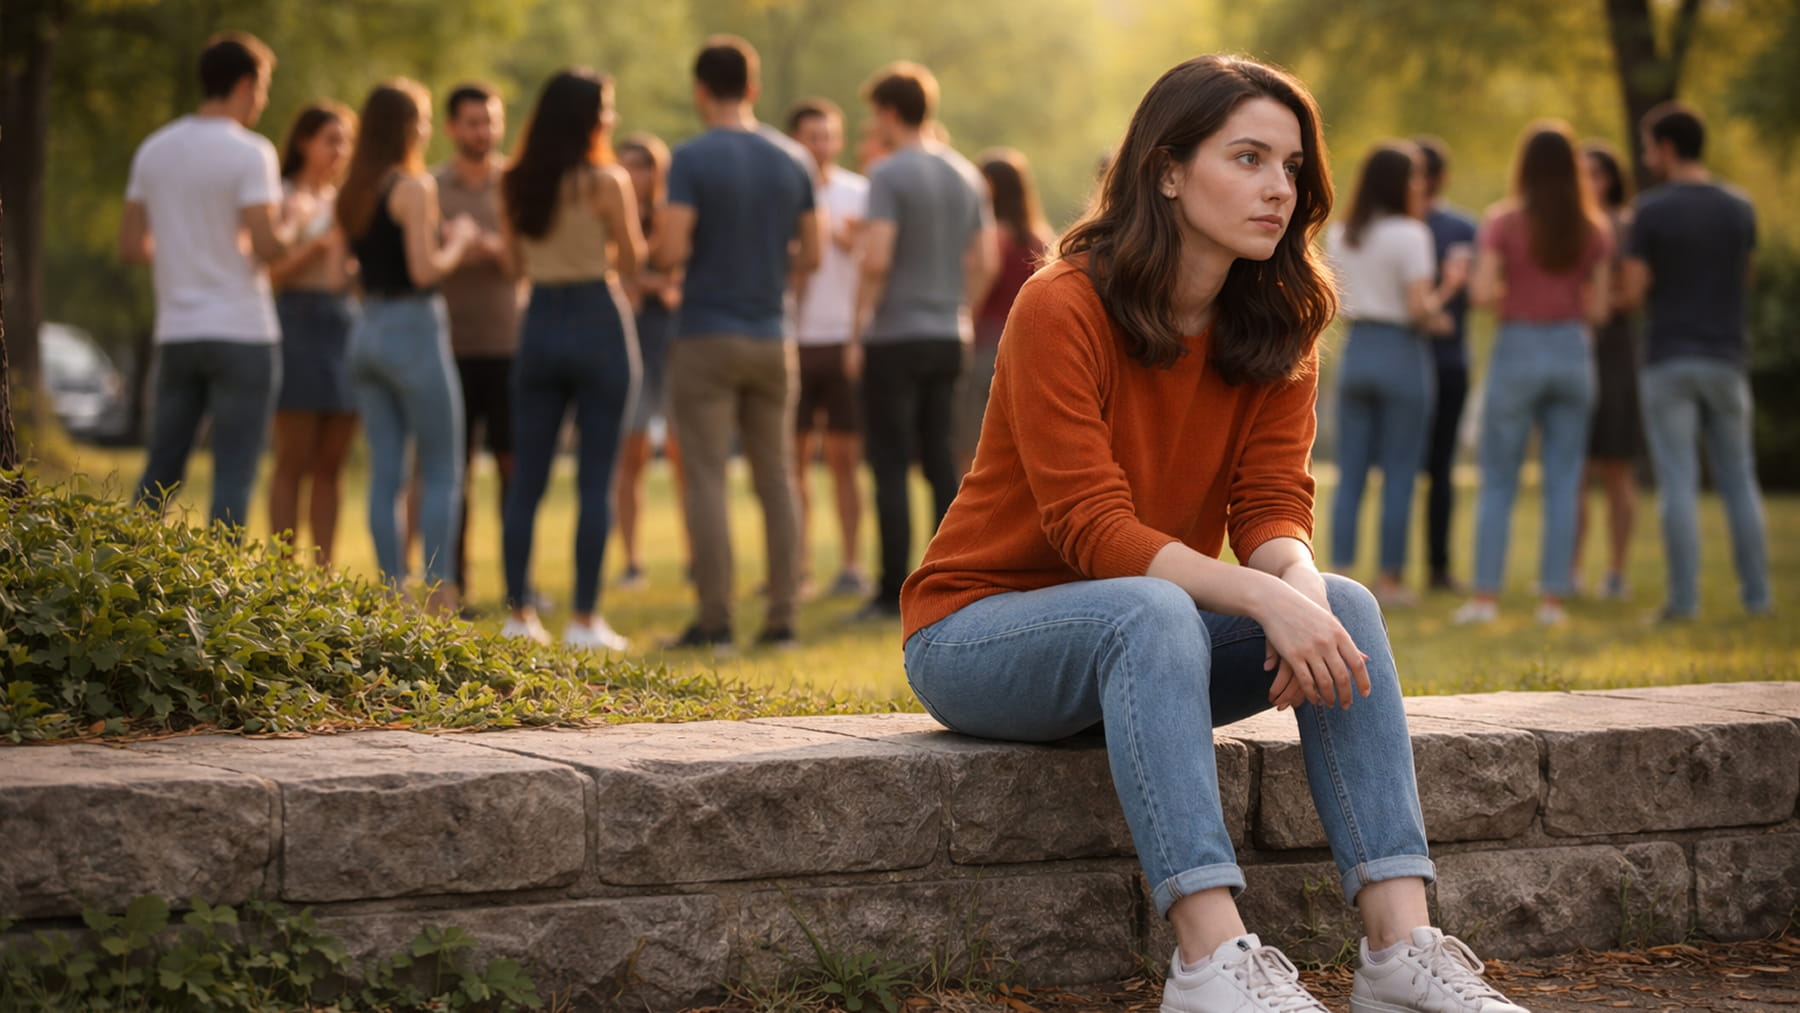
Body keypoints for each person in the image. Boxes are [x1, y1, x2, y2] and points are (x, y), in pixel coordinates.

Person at [900, 54, 1528, 1013]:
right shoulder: (1060, 302)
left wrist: (1302, 593)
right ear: (1166, 168)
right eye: (1247, 157)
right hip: (980, 634)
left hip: (1142, 644)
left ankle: (1400, 948)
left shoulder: (1279, 320)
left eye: (1291, 167)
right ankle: (1207, 960)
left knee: (1345, 601)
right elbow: (1089, 526)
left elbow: (1273, 507)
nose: (1278, 187)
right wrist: (1262, 598)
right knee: (1154, 609)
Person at [651, 35, 821, 650]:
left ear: (701, 90)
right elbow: (816, 251)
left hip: (705, 333)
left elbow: (670, 249)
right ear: (752, 88)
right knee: (776, 477)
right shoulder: (794, 159)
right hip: (772, 335)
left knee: (706, 478)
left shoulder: (691, 159)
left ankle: (716, 621)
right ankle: (782, 620)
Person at [120, 32, 294, 531]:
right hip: (243, 331)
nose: (262, 100)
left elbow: (132, 246)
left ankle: (126, 574)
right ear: (245, 84)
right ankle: (220, 599)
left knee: (161, 471)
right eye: (262, 89)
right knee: (234, 473)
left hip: (177, 331)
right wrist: (297, 224)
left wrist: (181, 251)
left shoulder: (153, 149)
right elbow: (266, 246)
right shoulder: (252, 152)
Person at [496, 68, 644, 651]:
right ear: (586, 116)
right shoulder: (606, 179)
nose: (611, 117)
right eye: (605, 108)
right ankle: (584, 620)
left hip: (539, 324)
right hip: (597, 320)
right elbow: (632, 260)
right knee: (595, 479)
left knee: (525, 480)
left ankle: (518, 614)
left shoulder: (513, 181)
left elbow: (513, 267)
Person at [853, 61, 997, 620]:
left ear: (889, 113)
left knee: (889, 461)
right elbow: (983, 259)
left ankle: (890, 589)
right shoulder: (965, 174)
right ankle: (948, 578)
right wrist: (961, 307)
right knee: (940, 459)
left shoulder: (888, 174)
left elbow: (878, 257)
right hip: (947, 332)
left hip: (894, 334)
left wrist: (858, 323)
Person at [1453, 121, 1611, 627]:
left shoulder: (1503, 221)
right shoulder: (1594, 229)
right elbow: (1602, 308)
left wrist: (1514, 296)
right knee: (1564, 481)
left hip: (1518, 347)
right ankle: (1552, 602)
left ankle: (1484, 598)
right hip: (1572, 351)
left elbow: (1479, 294)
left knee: (1499, 479)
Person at [1621, 102, 1771, 621]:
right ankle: (1758, 598)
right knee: (1739, 476)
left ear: (1666, 147)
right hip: (1726, 355)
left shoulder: (1652, 210)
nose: (1646, 157)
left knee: (1678, 481)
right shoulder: (1739, 206)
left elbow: (1636, 287)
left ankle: (1684, 601)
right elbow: (1746, 275)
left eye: (1647, 147)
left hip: (1669, 357)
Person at [338, 78, 481, 614]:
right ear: (407, 127)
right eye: (422, 118)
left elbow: (349, 272)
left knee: (387, 472)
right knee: (443, 466)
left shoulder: (351, 190)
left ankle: (392, 592)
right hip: (413, 327)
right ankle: (441, 591)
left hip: (366, 327)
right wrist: (460, 242)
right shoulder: (415, 187)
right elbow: (425, 270)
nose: (426, 128)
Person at [1326, 141, 1464, 605]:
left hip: (1358, 348)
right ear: (1402, 182)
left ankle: (1338, 573)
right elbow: (1418, 310)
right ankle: (1389, 581)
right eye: (1416, 177)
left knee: (1351, 473)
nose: (1421, 185)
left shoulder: (1342, 233)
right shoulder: (1411, 233)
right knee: (1400, 472)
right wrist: (1449, 289)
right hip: (1402, 353)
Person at [435, 82, 526, 604]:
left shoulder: (515, 184)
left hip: (509, 344)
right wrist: (467, 250)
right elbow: (422, 259)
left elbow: (522, 262)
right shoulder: (430, 185)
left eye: (490, 121)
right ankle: (454, 584)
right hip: (448, 346)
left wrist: (480, 245)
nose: (482, 132)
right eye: (472, 122)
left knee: (515, 468)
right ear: (452, 128)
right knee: (453, 473)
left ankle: (520, 587)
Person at [266, 100, 359, 567]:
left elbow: (348, 274)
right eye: (331, 140)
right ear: (304, 141)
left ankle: (324, 574)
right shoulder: (282, 195)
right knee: (292, 458)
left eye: (345, 141)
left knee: (331, 463)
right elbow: (271, 274)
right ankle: (283, 571)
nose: (339, 151)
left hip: (344, 324)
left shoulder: (347, 202)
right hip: (297, 322)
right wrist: (315, 245)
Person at [788, 97, 872, 599]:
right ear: (795, 140)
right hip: (793, 339)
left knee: (844, 457)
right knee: (792, 460)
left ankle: (850, 563)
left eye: (827, 135)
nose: (819, 145)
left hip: (843, 338)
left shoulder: (858, 194)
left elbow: (875, 259)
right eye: (810, 136)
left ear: (837, 140)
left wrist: (846, 242)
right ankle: (796, 567)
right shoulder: (779, 190)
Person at [613, 132, 687, 591]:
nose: (634, 174)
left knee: (684, 454)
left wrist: (646, 283)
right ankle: (632, 559)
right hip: (626, 342)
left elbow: (678, 287)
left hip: (673, 343)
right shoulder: (608, 218)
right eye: (626, 164)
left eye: (642, 165)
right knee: (631, 456)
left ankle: (694, 555)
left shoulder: (671, 218)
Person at [1572, 141, 1641, 601]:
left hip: (1612, 350)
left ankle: (1615, 571)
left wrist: (1592, 300)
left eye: (1598, 173)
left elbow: (1632, 296)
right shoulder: (1566, 224)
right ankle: (1570, 568)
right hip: (1570, 348)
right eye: (1582, 173)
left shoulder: (1626, 225)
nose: (1590, 182)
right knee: (1573, 467)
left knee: (1616, 466)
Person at [1412, 136, 1478, 593]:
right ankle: (1386, 572)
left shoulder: (1462, 228)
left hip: (1446, 363)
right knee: (1400, 469)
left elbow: (1479, 294)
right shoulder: (1391, 225)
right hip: (1410, 360)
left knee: (1440, 469)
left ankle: (1438, 567)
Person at [960, 147, 1053, 473]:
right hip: (1029, 344)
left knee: (972, 442)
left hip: (987, 342)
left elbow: (980, 282)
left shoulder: (993, 236)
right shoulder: (1041, 238)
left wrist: (966, 321)